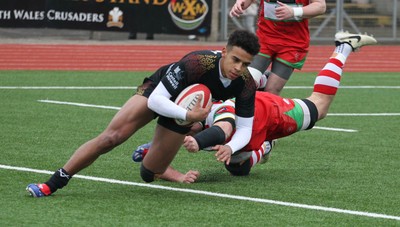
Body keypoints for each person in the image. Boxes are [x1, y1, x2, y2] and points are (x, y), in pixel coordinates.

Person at [26, 29, 260, 197]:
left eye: (246, 64)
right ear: (224, 52)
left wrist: (230, 147)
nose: (238, 68)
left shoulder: (246, 83)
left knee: (149, 173)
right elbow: (157, 100)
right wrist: (188, 116)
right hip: (161, 92)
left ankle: (152, 149)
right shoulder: (198, 62)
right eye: (235, 60)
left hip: (187, 108)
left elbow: (245, 128)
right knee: (111, 138)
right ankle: (54, 182)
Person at [132, 31, 377, 182]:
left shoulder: (216, 111)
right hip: (245, 126)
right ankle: (265, 144)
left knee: (319, 106)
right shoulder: (202, 106)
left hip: (268, 113)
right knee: (237, 169)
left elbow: (224, 128)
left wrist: (200, 142)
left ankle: (342, 47)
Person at [230, 0, 326, 95]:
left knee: (271, 90)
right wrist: (240, 2)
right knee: (245, 84)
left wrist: (294, 11)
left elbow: (320, 6)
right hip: (265, 37)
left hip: (292, 43)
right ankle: (262, 81)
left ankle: (264, 102)